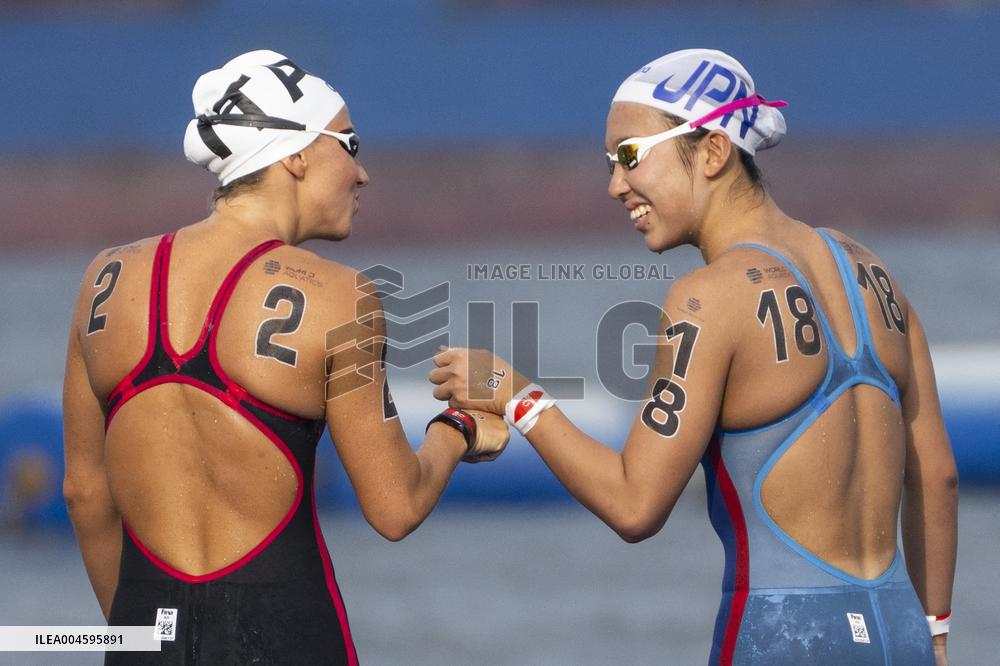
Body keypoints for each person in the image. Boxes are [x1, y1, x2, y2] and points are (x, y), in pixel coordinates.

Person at [431, 49, 957, 665]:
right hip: (901, 631)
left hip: (783, 634)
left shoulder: (706, 298)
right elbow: (937, 476)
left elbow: (635, 505)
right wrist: (934, 631)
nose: (613, 184)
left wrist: (515, 395)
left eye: (629, 156)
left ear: (712, 152)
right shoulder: (875, 274)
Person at [62, 49, 509, 665]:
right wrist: (459, 428)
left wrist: (142, 635)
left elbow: (85, 493)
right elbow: (395, 506)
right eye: (349, 144)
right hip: (282, 635)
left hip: (143, 631)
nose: (363, 173)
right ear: (295, 154)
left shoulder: (104, 277)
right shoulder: (340, 295)